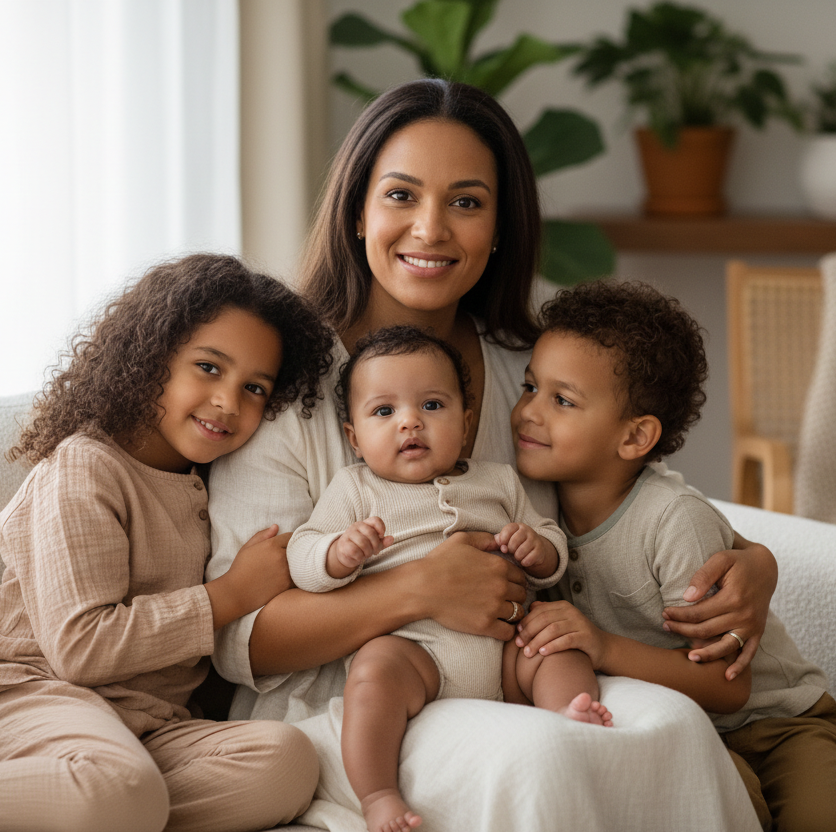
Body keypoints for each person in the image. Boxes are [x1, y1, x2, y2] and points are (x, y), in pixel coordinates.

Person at [206, 78, 779, 831]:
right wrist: (416, 590)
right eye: (401, 196)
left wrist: (756, 560)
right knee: (543, 761)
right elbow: (240, 636)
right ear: (357, 212)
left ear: (502, 225)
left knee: (666, 725)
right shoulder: (286, 387)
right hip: (359, 697)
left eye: (467, 202)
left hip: (521, 668)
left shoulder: (527, 370)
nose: (431, 229)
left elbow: (627, 495)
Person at [0, 254, 333, 832]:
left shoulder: (205, 482)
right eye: (208, 368)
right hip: (30, 701)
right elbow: (80, 647)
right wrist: (230, 594)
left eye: (254, 388)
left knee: (287, 762)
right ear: (152, 360)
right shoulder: (85, 466)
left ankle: (106, 806)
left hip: (147, 729)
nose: (229, 401)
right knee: (116, 787)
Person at [509, 280, 836, 832]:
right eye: (530, 386)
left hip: (778, 723)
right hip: (687, 727)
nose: (528, 412)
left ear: (635, 438)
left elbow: (730, 686)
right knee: (717, 808)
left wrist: (600, 644)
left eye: (562, 400)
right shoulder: (535, 514)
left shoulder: (673, 520)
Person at [287, 325, 609, 832]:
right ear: (354, 436)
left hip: (504, 645)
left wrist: (539, 549)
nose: (410, 422)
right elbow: (301, 553)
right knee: (372, 674)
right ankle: (377, 796)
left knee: (554, 643)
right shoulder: (355, 489)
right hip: (414, 652)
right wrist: (337, 553)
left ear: (467, 419)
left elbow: (554, 542)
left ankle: (570, 717)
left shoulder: (498, 481)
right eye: (384, 411)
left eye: (432, 406)